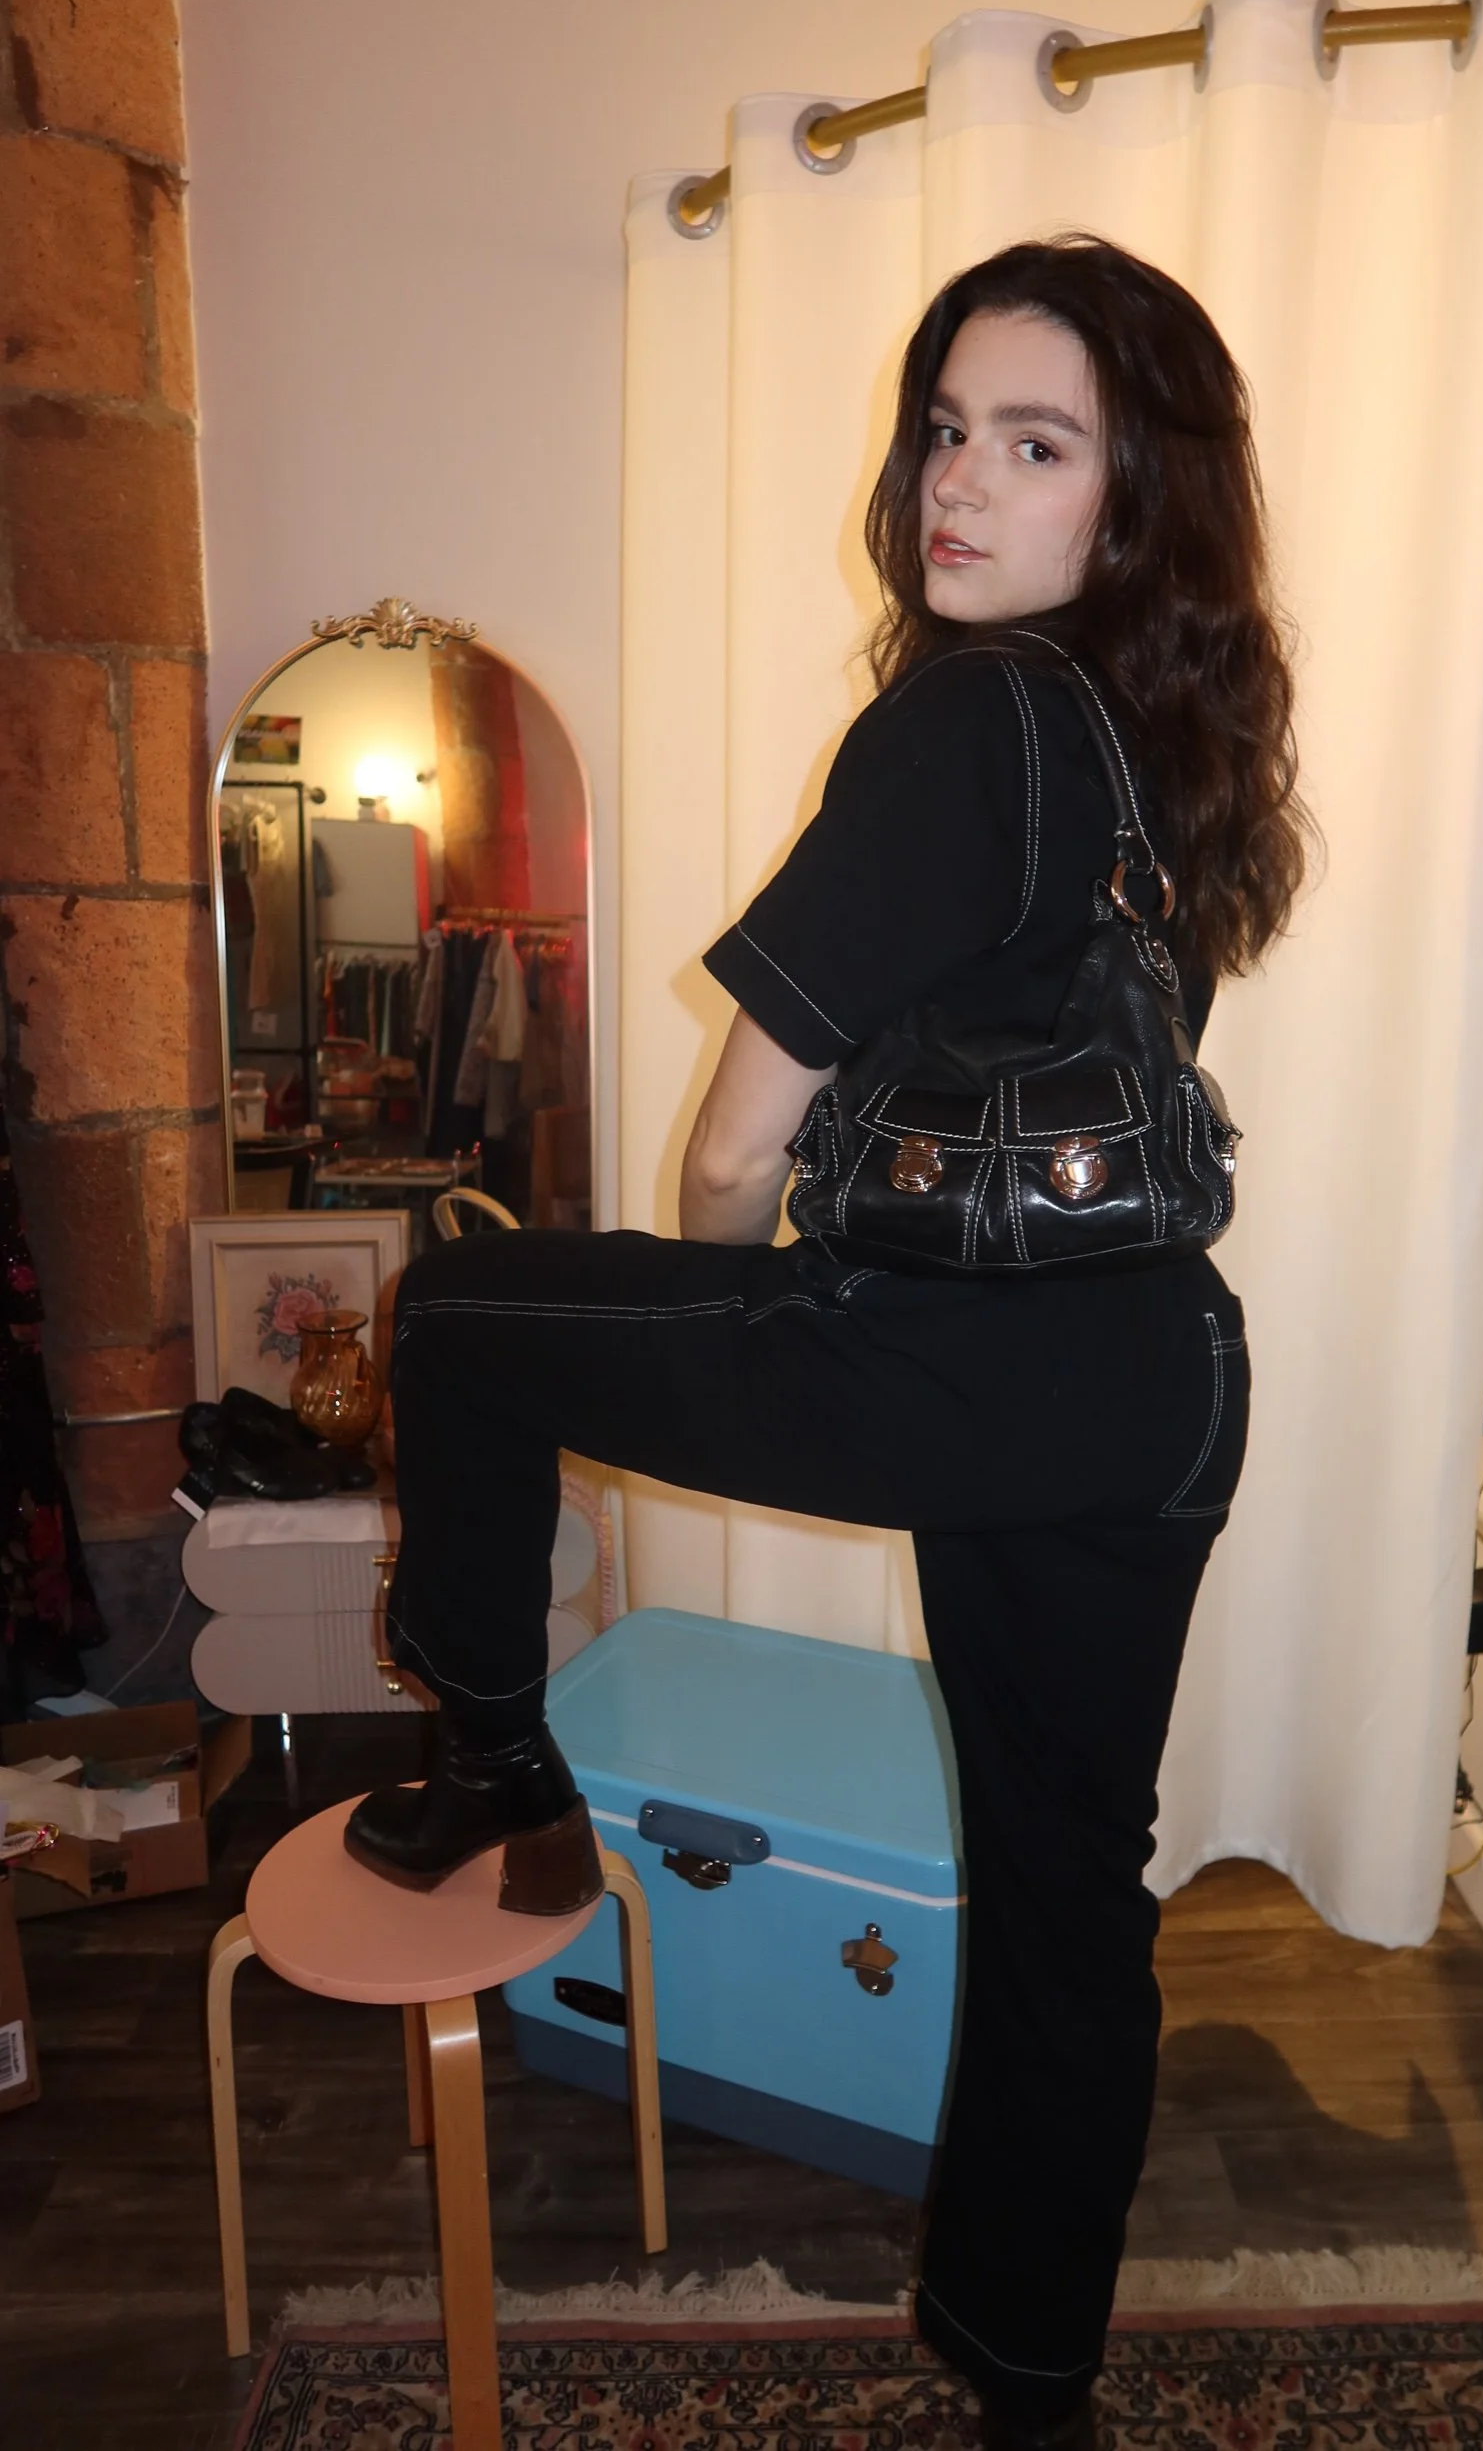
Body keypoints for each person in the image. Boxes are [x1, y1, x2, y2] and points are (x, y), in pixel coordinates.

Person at [346, 233, 1312, 2448]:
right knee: (1071, 1895)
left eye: (1035, 443)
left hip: (948, 1365)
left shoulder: (969, 717)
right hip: (1162, 1391)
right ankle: (1027, 2379)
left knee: (462, 1309)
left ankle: (495, 1751)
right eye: (946, 430)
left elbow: (731, 1142)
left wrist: (730, 1298)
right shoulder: (1164, 761)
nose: (958, 481)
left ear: (1134, 499)